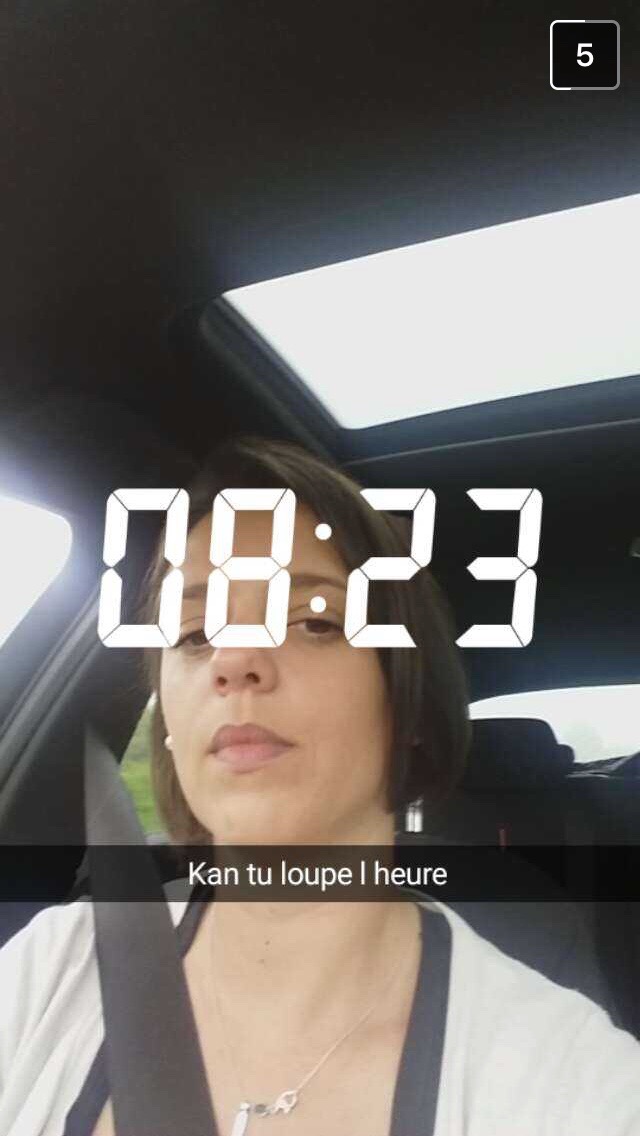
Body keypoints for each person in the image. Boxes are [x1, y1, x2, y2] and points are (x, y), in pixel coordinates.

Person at [1, 435, 640, 1136]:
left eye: (315, 621)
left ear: (407, 702)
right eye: (193, 633)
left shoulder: (572, 1085)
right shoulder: (48, 971)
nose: (234, 658)